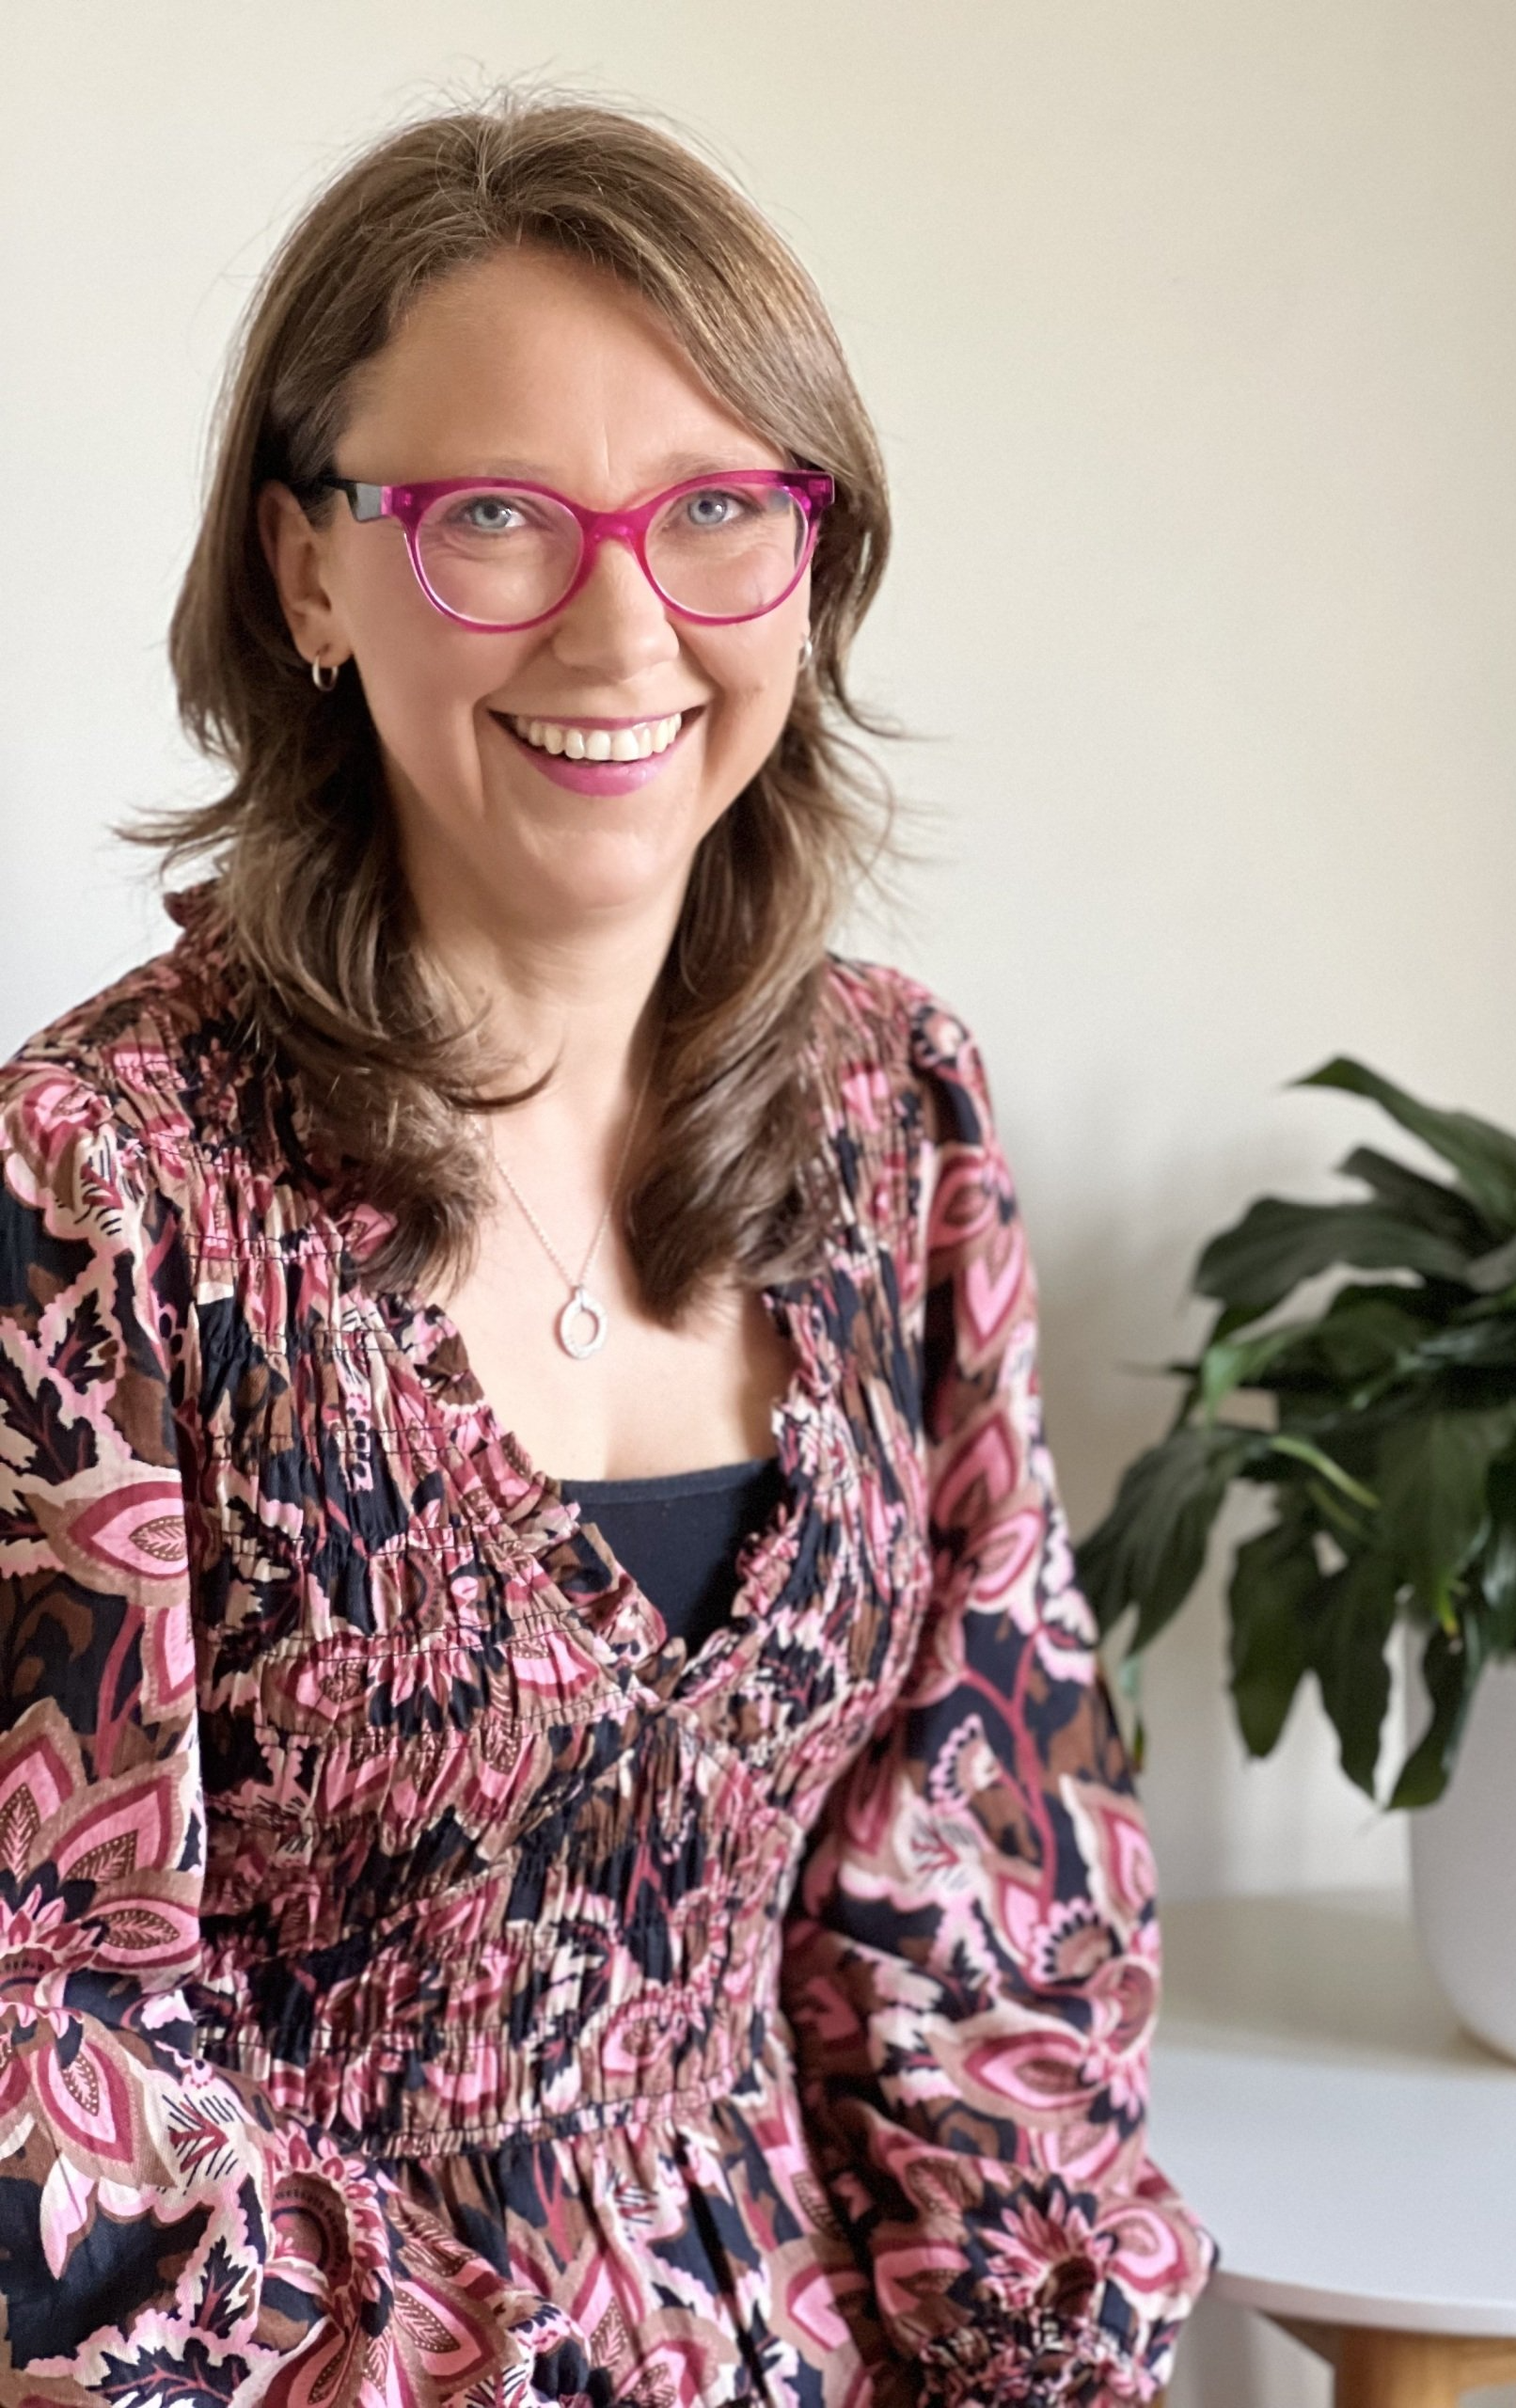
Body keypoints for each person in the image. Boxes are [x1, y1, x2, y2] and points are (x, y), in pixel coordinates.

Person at [0, 93, 1210, 2408]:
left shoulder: (897, 1115)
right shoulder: (100, 1182)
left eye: (718, 511)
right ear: (304, 575)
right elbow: (44, 2050)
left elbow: (987, 1891)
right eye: (488, 519)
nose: (622, 620)